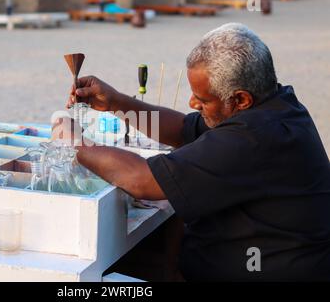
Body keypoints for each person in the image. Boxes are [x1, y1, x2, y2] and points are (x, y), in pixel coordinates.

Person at [52, 23, 330, 281]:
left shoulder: (255, 137)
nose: (191, 102)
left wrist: (76, 143)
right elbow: (184, 129)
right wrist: (117, 102)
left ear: (241, 99)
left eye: (203, 99)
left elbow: (142, 180)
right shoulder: (275, 105)